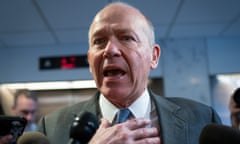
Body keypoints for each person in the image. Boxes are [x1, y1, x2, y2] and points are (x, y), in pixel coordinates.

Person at [0, 2, 221, 144]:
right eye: (99, 41)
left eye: (126, 38)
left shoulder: (202, 119)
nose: (110, 50)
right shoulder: (50, 128)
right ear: (89, 60)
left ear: (153, 56)